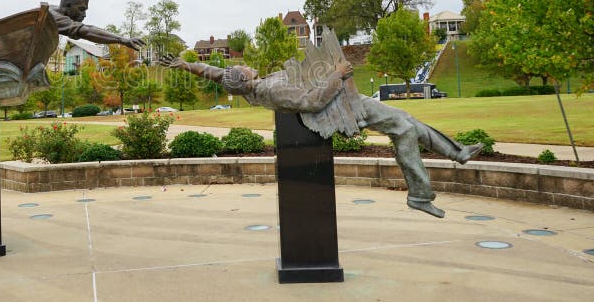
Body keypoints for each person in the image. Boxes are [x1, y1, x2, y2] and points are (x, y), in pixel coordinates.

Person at [159, 55, 484, 218]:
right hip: (340, 105)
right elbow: (314, 101)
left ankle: (456, 155)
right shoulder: (273, 88)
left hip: (339, 100)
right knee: (404, 127)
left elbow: (215, 73)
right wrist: (338, 75)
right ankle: (420, 194)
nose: (243, 64)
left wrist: (185, 64)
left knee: (407, 123)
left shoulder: (243, 86)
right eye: (242, 67)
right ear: (245, 78)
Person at [50, 0, 145, 50]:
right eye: (81, 9)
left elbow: (88, 28)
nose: (84, 15)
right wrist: (122, 40)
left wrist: (122, 38)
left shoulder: (53, 11)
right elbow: (86, 31)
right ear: (68, 6)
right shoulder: (50, 17)